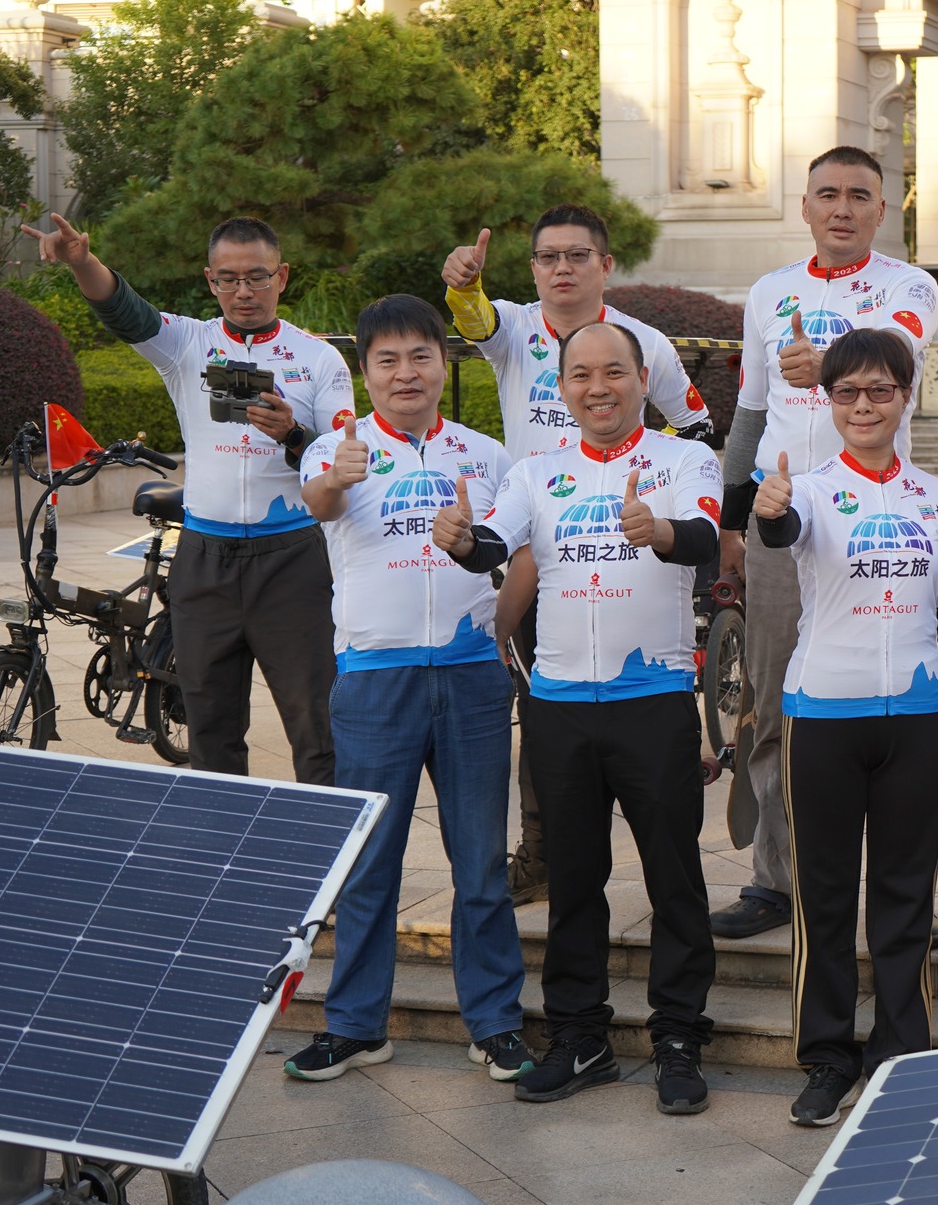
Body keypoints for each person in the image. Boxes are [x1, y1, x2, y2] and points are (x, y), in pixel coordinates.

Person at [434, 321, 722, 1116]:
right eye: (582, 374)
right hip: (560, 707)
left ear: (641, 378)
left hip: (654, 700)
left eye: (615, 371)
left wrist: (659, 531)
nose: (599, 387)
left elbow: (703, 536)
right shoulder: (537, 471)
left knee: (674, 876)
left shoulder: (682, 459)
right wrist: (460, 541)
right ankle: (579, 1035)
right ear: (561, 388)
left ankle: (678, 1036)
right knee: (573, 879)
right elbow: (492, 543)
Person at [442, 205, 715, 906]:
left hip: (627, 538)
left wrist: (682, 503)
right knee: (543, 702)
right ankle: (543, 851)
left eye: (578, 255)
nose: (562, 268)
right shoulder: (513, 327)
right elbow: (473, 319)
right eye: (548, 257)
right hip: (532, 537)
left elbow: (696, 424)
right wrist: (462, 285)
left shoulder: (646, 342)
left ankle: (654, 836)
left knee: (633, 700)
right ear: (533, 268)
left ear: (606, 264)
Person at [284, 295, 525, 1083]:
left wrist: (501, 633)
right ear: (366, 372)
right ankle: (357, 1026)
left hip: (471, 678)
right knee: (369, 861)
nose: (406, 372)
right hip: (374, 680)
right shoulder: (335, 450)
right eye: (387, 359)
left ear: (443, 363)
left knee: (481, 862)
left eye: (420, 355)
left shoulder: (486, 456)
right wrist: (336, 478)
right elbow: (318, 502)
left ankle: (496, 1022)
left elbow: (517, 549)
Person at [753, 327, 938, 1125]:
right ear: (829, 401)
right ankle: (826, 1057)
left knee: (904, 895)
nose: (864, 404)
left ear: (905, 397)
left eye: (881, 389)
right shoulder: (811, 491)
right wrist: (770, 512)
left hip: (915, 723)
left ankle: (898, 1052)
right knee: (822, 896)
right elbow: (783, 531)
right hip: (822, 717)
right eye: (848, 390)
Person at [23, 213, 349, 783]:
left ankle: (330, 841)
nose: (243, 291)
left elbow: (343, 461)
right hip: (203, 558)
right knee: (209, 728)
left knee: (317, 725)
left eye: (257, 276)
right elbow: (125, 309)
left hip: (292, 560)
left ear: (282, 277)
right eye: (229, 278)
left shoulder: (319, 359)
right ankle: (219, 837)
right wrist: (81, 261)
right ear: (210, 280)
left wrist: (294, 434)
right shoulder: (188, 344)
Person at [711, 146, 938, 942]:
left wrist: (827, 363)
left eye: (860, 196)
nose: (842, 208)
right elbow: (749, 413)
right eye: (827, 194)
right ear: (805, 206)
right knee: (773, 697)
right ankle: (775, 878)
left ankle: (890, 886)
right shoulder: (770, 291)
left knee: (886, 700)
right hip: (780, 519)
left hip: (879, 520)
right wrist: (730, 523)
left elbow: (894, 355)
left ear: (883, 210)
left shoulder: (910, 285)